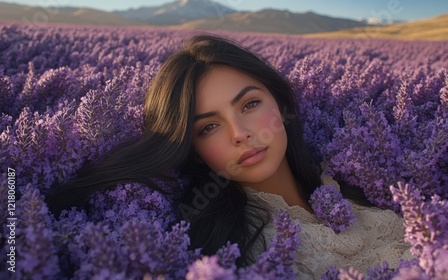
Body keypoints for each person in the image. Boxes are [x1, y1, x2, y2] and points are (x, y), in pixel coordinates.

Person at [48, 34, 411, 278]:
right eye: (208, 127)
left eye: (250, 104)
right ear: (194, 151)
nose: (240, 133)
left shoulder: (358, 174)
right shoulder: (241, 251)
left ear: (280, 103)